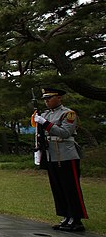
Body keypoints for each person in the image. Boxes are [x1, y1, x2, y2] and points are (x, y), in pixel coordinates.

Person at [34, 87, 88, 232]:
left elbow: (64, 133)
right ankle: (65, 216)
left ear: (59, 98)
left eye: (49, 98)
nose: (47, 102)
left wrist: (44, 123)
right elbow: (42, 135)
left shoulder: (68, 114)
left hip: (66, 155)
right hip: (52, 155)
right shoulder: (46, 114)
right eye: (45, 99)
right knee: (58, 188)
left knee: (71, 188)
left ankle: (76, 219)